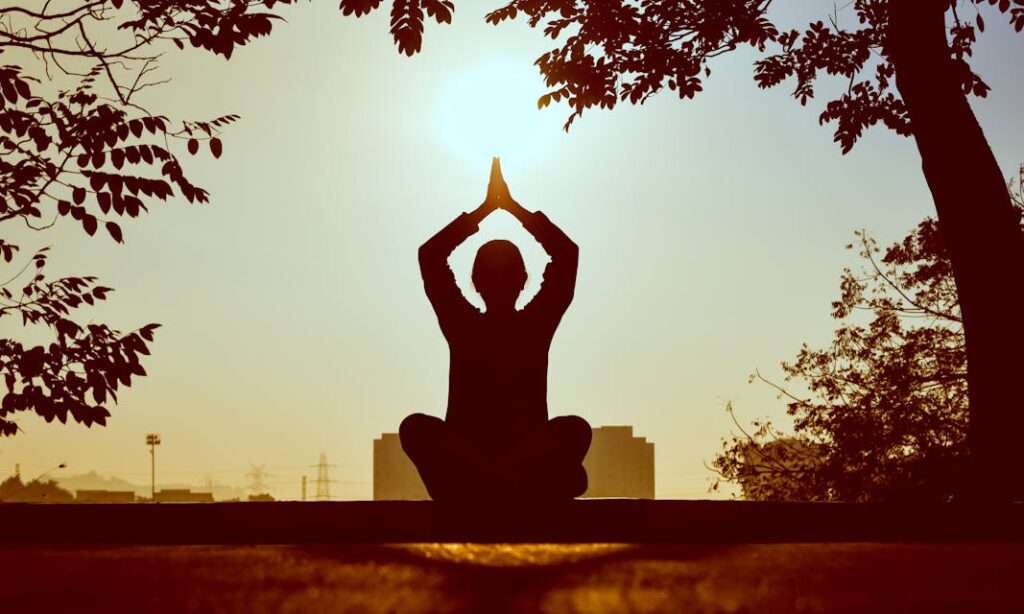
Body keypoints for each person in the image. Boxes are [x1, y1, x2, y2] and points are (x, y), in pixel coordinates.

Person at [400, 159, 592, 501]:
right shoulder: (463, 323)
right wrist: (489, 210)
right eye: (492, 274)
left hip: (517, 455)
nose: (500, 282)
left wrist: (509, 209)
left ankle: (499, 480)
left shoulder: (534, 324)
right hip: (473, 456)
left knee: (575, 429)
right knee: (415, 428)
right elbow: (430, 256)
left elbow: (567, 254)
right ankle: (508, 482)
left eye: (507, 274)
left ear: (521, 281)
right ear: (476, 282)